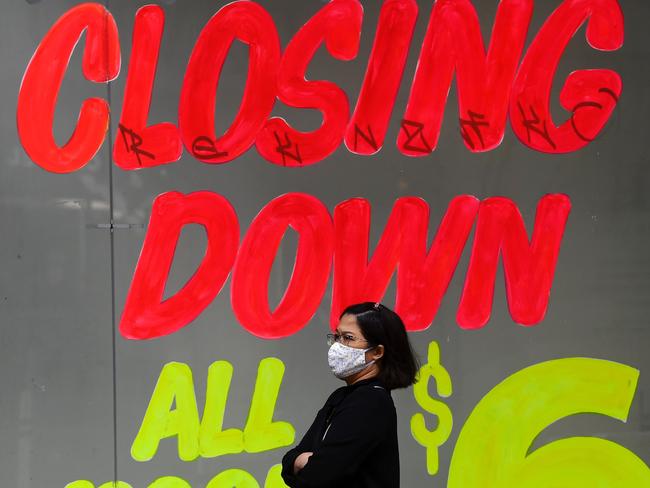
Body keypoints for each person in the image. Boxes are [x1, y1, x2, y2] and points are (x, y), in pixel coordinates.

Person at [281, 302, 419, 488]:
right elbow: (289, 462)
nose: (338, 346)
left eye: (348, 338)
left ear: (377, 352)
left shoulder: (370, 403)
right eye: (337, 336)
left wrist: (302, 462)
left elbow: (315, 477)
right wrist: (298, 461)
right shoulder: (342, 397)